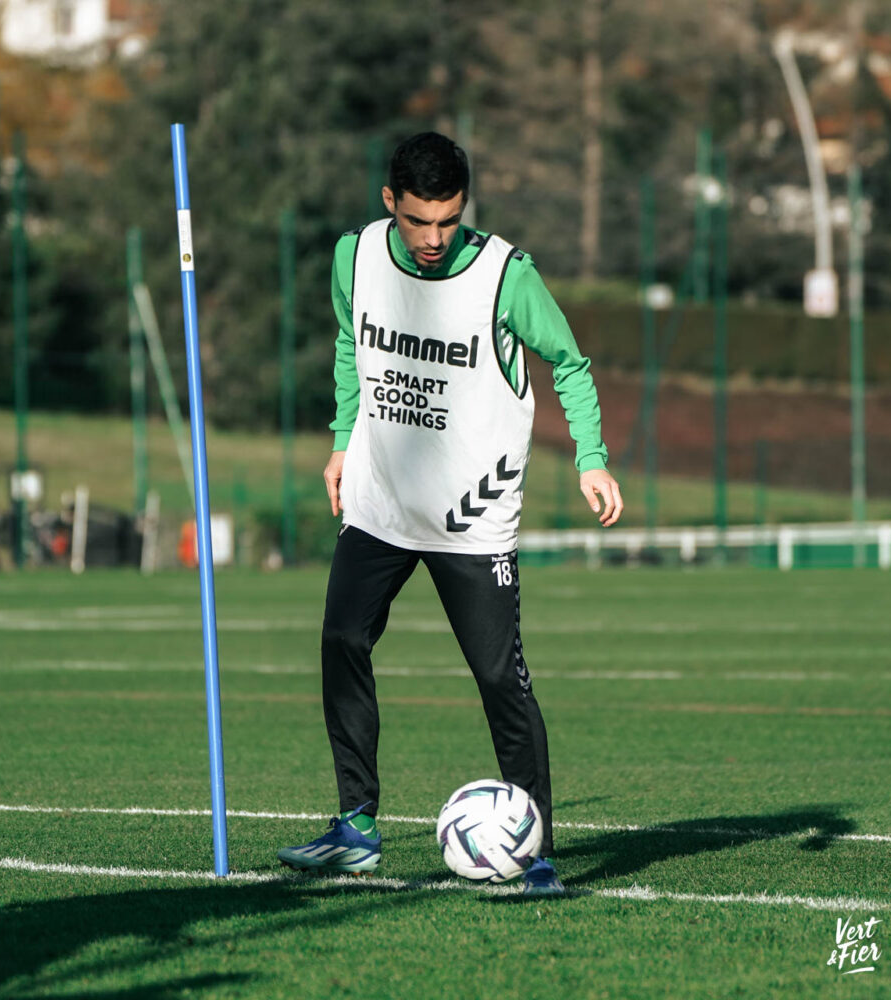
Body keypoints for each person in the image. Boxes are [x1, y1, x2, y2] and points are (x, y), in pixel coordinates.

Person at [276, 132, 624, 895]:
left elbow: (568, 361)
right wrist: (341, 444)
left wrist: (592, 456)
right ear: (390, 202)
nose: (435, 239)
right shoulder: (355, 256)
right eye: (420, 221)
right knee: (340, 638)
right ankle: (357, 826)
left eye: (450, 220)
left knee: (501, 678)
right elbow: (350, 345)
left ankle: (536, 856)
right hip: (380, 500)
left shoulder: (506, 274)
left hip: (474, 518)